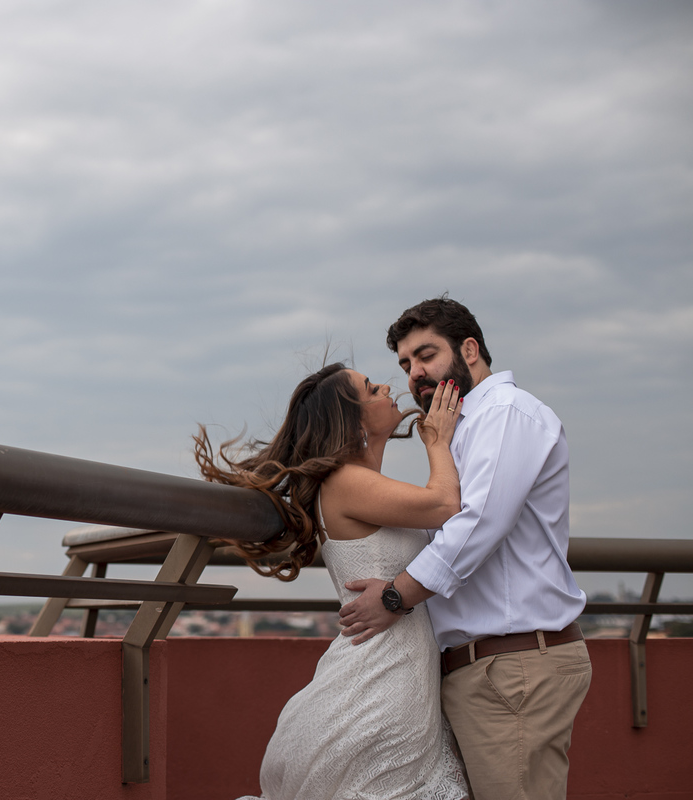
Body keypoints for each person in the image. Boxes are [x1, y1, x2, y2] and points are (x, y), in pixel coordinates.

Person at [339, 297, 592, 800]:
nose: (415, 373)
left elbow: (478, 524)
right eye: (406, 364)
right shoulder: (462, 427)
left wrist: (395, 596)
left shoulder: (504, 413)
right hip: (491, 670)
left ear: (469, 350)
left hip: (513, 668)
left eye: (426, 355)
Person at [195, 361, 468, 800]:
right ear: (352, 419)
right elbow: (445, 506)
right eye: (371, 388)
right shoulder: (346, 481)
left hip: (394, 678)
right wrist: (437, 442)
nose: (386, 388)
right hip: (380, 687)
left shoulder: (361, 483)